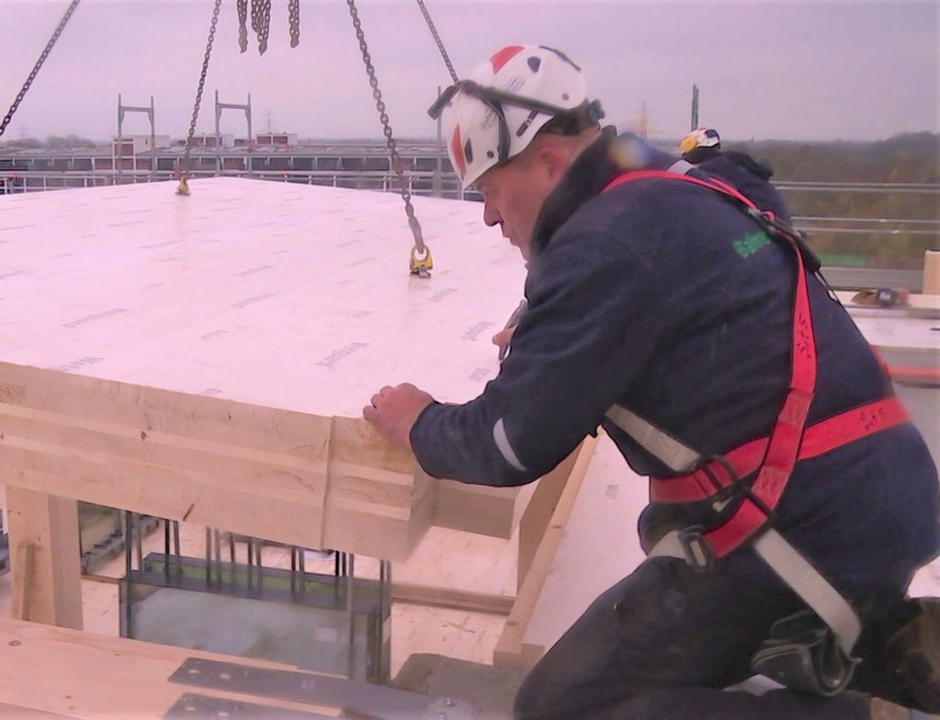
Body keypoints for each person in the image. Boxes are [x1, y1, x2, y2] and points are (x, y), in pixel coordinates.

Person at [362, 43, 939, 720]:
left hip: (799, 532)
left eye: (490, 188)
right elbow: (722, 236)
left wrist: (419, 420)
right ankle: (884, 650)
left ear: (548, 161)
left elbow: (509, 444)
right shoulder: (675, 179)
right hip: (880, 489)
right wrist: (569, 327)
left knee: (564, 708)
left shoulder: (604, 247)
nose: (488, 215)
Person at [681, 126, 791, 221]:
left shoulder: (714, 167)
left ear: (704, 145)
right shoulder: (732, 161)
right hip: (777, 217)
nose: (684, 151)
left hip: (766, 219)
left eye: (688, 145)